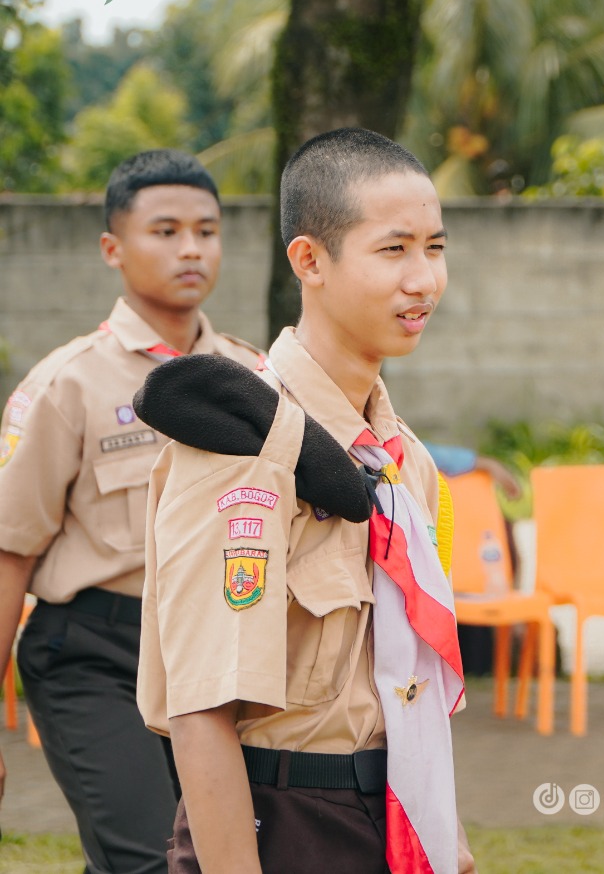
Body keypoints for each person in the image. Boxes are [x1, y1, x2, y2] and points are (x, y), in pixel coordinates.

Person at [134, 128, 474, 873]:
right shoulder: (244, 443)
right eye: (394, 251)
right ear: (309, 260)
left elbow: (402, 676)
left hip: (389, 818)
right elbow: (201, 711)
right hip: (277, 822)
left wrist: (445, 830)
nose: (423, 280)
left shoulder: (400, 459)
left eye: (436, 248)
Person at [0, 150, 260, 873]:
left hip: (207, 657)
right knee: (147, 860)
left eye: (207, 231)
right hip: (93, 654)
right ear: (113, 248)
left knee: (197, 856)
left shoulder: (249, 378)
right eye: (166, 230)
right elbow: (10, 550)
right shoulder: (69, 382)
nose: (191, 249)